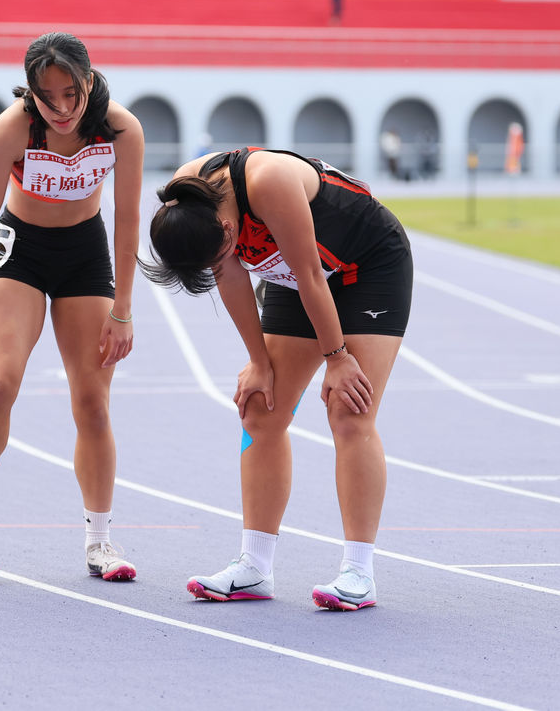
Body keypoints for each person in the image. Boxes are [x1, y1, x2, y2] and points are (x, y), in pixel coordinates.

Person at [141, 147, 413, 612]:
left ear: (228, 229)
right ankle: (254, 566)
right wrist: (258, 361)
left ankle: (358, 572)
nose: (220, 263)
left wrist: (338, 358)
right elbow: (230, 275)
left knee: (349, 408)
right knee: (259, 408)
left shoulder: (268, 181)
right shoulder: (186, 201)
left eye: (220, 254)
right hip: (294, 275)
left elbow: (312, 277)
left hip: (366, 266)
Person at [0, 32, 145, 584]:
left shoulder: (121, 129)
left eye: (70, 94)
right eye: (46, 96)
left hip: (85, 253)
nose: (60, 108)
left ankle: (100, 540)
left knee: (93, 401)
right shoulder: (11, 129)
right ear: (30, 92)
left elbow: (128, 219)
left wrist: (123, 308)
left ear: (89, 80)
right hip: (21, 251)